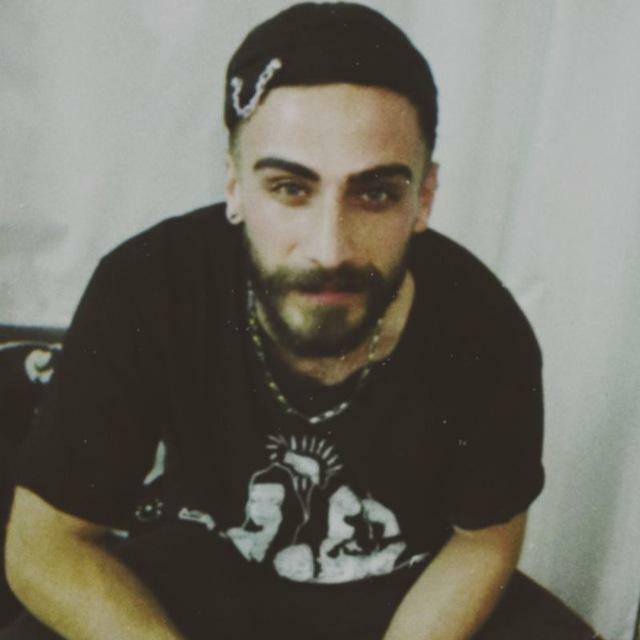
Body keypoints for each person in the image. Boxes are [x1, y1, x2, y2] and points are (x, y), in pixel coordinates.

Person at [3, 3, 544, 639]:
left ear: (423, 198)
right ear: (235, 186)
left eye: (375, 193)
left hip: (407, 592)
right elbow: (45, 544)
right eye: (290, 188)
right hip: (200, 571)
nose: (329, 248)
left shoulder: (484, 331)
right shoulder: (150, 287)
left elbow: (484, 540)